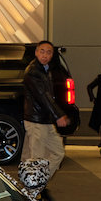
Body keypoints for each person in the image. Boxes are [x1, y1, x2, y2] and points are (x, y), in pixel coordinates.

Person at [22, 40, 70, 173]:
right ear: (36, 52)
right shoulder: (33, 71)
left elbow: (48, 96)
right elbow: (43, 96)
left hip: (46, 120)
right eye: (42, 51)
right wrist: (58, 115)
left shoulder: (45, 70)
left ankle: (36, 183)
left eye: (49, 52)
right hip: (36, 121)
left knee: (57, 153)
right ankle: (34, 188)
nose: (45, 55)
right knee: (36, 159)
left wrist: (55, 116)